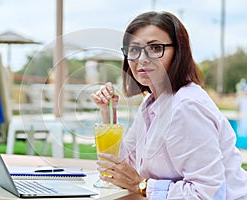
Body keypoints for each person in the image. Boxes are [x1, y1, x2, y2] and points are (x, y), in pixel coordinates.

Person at [91, 11, 247, 199]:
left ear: (179, 52)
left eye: (155, 48)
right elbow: (119, 168)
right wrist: (107, 111)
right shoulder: (151, 104)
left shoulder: (185, 106)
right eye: (133, 50)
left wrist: (141, 185)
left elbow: (207, 194)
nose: (141, 59)